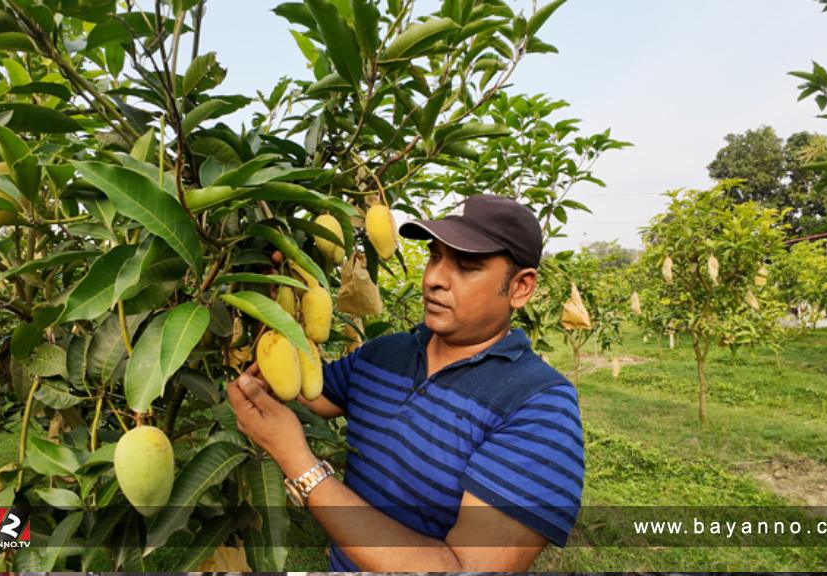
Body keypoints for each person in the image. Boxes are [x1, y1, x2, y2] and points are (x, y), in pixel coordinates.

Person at [226, 194, 584, 571]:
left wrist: (299, 463)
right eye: (435, 257)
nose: (433, 280)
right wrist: (278, 294)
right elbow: (307, 391)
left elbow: (465, 568)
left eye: (465, 266)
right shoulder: (386, 353)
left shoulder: (541, 408)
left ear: (521, 288)